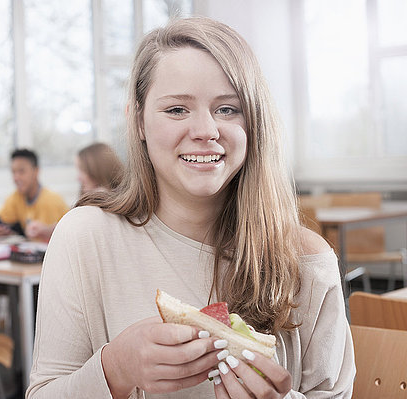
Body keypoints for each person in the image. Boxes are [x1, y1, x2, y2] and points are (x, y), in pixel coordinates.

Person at [26, 17, 355, 399]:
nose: (206, 130)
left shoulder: (308, 260)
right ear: (139, 122)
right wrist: (114, 368)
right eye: (177, 109)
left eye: (228, 109)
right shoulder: (83, 237)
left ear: (255, 122)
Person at [0, 148, 70, 242]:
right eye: (13, 172)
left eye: (21, 171)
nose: (16, 177)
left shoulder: (53, 200)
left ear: (36, 171)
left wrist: (47, 231)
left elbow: (67, 236)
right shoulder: (16, 197)